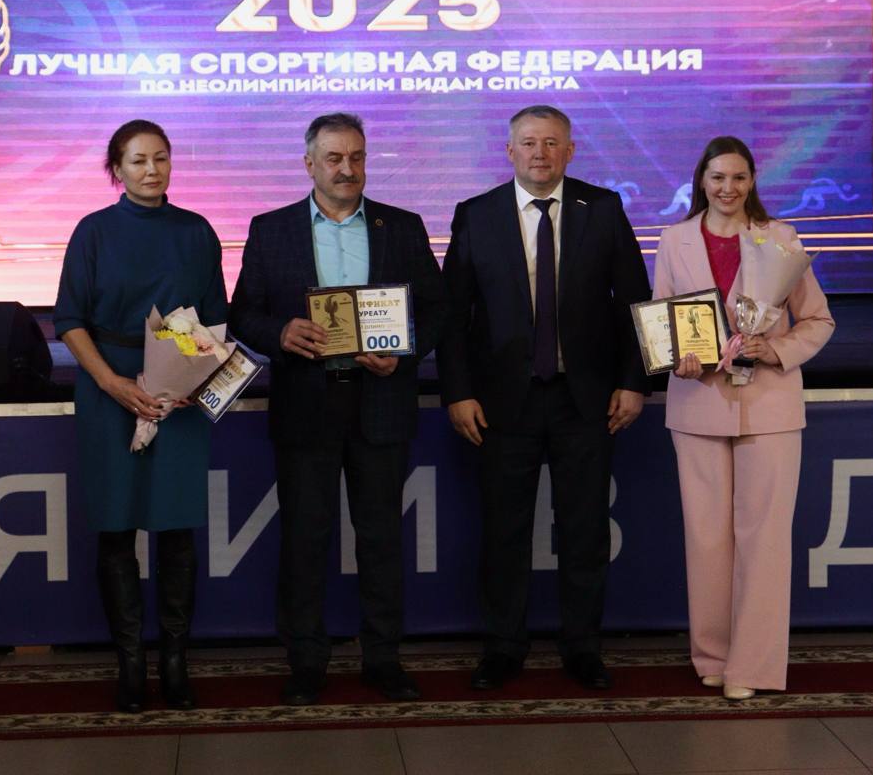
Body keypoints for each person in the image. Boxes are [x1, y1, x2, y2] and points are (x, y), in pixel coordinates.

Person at [228, 112, 445, 706]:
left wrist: (404, 349)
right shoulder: (271, 230)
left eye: (356, 157)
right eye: (334, 158)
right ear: (309, 164)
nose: (347, 169)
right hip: (307, 404)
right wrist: (280, 334)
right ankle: (306, 662)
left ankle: (383, 659)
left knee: (382, 539)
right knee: (305, 539)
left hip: (381, 401)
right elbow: (243, 313)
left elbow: (437, 309)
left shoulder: (402, 227)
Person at [438, 105, 651, 691]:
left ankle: (582, 647)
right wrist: (458, 392)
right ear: (509, 151)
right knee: (503, 531)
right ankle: (503, 647)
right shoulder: (476, 214)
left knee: (585, 530)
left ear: (570, 151)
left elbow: (634, 302)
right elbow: (453, 317)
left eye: (552, 143)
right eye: (529, 143)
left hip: (586, 401)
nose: (540, 153)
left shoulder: (601, 208)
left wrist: (634, 381)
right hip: (501, 403)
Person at [653, 135, 834, 701]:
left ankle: (751, 666)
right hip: (697, 404)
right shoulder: (675, 239)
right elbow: (664, 323)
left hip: (770, 406)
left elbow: (818, 321)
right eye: (717, 178)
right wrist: (677, 359)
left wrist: (773, 349)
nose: (727, 188)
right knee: (706, 539)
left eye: (737, 177)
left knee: (764, 539)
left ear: (752, 180)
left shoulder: (780, 238)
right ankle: (712, 655)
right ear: (700, 182)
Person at [54, 119, 226, 713]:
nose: (152, 170)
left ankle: (175, 662)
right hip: (110, 386)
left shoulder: (197, 231)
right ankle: (130, 665)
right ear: (117, 169)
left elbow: (214, 319)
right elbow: (69, 319)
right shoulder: (93, 231)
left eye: (161, 158)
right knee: (116, 528)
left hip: (179, 393)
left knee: (177, 530)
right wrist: (112, 384)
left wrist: (191, 381)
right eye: (137, 161)